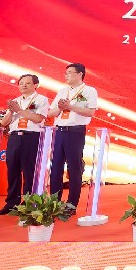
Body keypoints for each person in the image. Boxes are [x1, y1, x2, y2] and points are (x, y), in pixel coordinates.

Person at [46, 63, 97, 214]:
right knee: (55, 168)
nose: (66, 75)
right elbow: (50, 113)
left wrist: (70, 106)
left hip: (75, 132)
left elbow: (90, 112)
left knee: (74, 168)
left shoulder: (89, 91)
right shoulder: (62, 91)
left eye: (69, 73)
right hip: (59, 131)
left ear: (80, 74)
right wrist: (60, 108)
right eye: (65, 73)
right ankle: (54, 203)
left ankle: (71, 204)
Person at [0, 74, 49, 215]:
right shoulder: (15, 101)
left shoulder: (41, 99)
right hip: (14, 137)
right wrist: (11, 111)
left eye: (28, 83)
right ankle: (11, 203)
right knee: (12, 171)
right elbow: (4, 123)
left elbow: (38, 118)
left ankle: (29, 204)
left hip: (31, 137)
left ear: (35, 85)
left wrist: (19, 110)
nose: (24, 85)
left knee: (29, 172)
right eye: (21, 83)